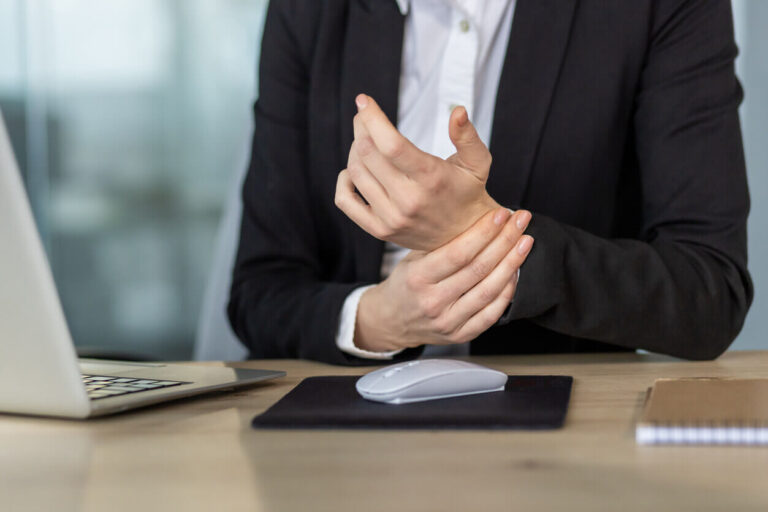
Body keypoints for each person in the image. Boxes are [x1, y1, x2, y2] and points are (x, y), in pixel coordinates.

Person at [228, 0, 752, 365]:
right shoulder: (306, 11)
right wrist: (380, 320)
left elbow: (709, 291)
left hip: (564, 431)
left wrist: (488, 235)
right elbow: (259, 291)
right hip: (336, 426)